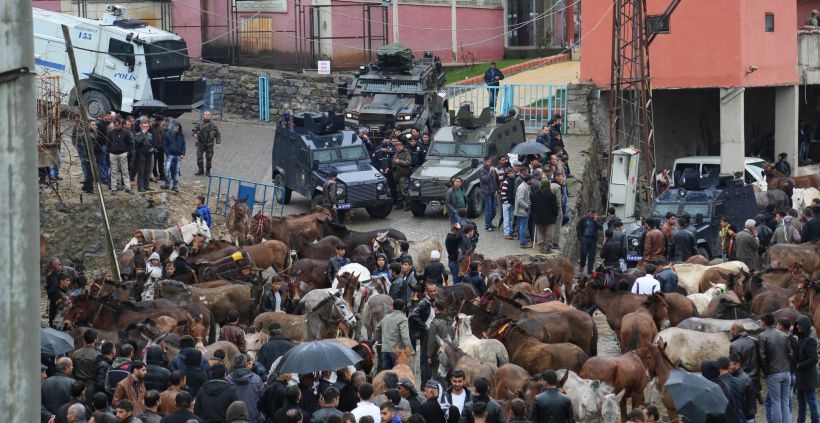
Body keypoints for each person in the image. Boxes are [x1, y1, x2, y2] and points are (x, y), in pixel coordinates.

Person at [759, 313, 792, 423]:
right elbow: (790, 353)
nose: (760, 323)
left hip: (773, 373)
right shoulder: (783, 335)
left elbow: (762, 357)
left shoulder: (763, 336)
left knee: (776, 403)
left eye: (760, 321)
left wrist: (765, 372)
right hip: (786, 372)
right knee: (785, 402)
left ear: (764, 322)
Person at [792, 315, 819, 423]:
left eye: (799, 325)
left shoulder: (809, 340)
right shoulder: (800, 339)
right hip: (801, 377)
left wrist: (800, 365)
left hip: (808, 377)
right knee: (801, 402)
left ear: (805, 326)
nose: (797, 326)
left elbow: (814, 358)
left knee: (811, 401)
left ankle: (815, 421)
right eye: (797, 324)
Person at [410, 283, 437, 382]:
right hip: (426, 334)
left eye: (434, 291)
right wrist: (424, 326)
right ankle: (424, 383)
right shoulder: (423, 303)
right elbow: (414, 315)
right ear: (426, 292)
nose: (433, 293)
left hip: (435, 333)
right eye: (431, 291)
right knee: (425, 358)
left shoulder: (436, 301)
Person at [374, 299, 412, 371]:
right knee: (397, 373)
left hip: (385, 349)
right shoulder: (403, 319)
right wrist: (410, 349)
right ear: (403, 308)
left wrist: (380, 340)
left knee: (386, 373)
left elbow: (377, 329)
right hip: (397, 352)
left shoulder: (386, 317)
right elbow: (405, 337)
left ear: (393, 307)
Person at [227, 354, 264, 423]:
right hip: (253, 418)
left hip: (233, 419)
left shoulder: (228, 379)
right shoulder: (257, 379)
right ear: (246, 364)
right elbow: (262, 400)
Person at [531, 179, 559, 253]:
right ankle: (547, 247)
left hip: (538, 218)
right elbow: (554, 207)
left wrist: (535, 215)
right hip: (549, 218)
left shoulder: (535, 195)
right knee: (549, 233)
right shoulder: (552, 195)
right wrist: (555, 215)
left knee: (540, 233)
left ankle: (541, 247)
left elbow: (533, 207)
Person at [107, 117, 134, 194]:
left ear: (120, 124)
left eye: (117, 125)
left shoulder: (126, 132)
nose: (115, 126)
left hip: (122, 153)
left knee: (125, 171)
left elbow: (130, 143)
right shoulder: (110, 133)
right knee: (114, 171)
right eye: (114, 125)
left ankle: (128, 187)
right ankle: (114, 188)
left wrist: (127, 152)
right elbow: (108, 143)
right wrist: (109, 151)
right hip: (113, 154)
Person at [192, 111, 221, 176]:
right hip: (201, 143)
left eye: (208, 114)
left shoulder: (213, 125)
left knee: (209, 158)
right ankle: (200, 170)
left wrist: (218, 143)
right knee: (199, 157)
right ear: (203, 115)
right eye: (206, 114)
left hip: (209, 144)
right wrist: (194, 134)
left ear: (210, 116)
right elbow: (193, 131)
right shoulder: (199, 123)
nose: (207, 116)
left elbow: (218, 134)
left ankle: (208, 171)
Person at [576, 209, 602, 273]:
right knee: (583, 253)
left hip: (593, 239)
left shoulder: (597, 219)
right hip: (585, 238)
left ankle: (590, 271)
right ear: (588, 213)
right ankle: (582, 266)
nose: (592, 216)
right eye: (591, 214)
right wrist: (580, 237)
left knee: (592, 255)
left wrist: (595, 221)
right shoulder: (584, 218)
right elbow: (578, 227)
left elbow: (601, 227)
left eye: (594, 214)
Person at [162, 120, 185, 192]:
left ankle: (175, 186)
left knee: (176, 171)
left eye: (178, 126)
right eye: (176, 126)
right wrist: (167, 153)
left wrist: (183, 153)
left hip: (178, 155)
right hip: (170, 155)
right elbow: (165, 145)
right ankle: (167, 184)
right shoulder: (167, 134)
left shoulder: (181, 135)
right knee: (167, 170)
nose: (177, 128)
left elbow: (183, 145)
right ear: (173, 126)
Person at [478, 156, 498, 231]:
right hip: (486, 192)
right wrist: (490, 172)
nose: (488, 163)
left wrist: (496, 189)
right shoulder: (481, 170)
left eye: (489, 161)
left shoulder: (492, 169)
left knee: (494, 210)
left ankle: (489, 223)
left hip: (492, 191)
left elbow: (494, 180)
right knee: (488, 210)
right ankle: (487, 225)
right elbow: (485, 180)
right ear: (484, 162)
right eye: (487, 161)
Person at [134, 121, 154, 192]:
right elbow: (138, 142)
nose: (145, 128)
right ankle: (140, 187)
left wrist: (153, 149)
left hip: (148, 155)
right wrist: (143, 135)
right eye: (144, 126)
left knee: (147, 171)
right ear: (141, 127)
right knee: (141, 172)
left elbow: (152, 144)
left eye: (146, 126)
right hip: (141, 155)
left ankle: (146, 186)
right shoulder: (137, 134)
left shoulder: (150, 135)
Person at [392, 142, 413, 211]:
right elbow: (392, 163)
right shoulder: (395, 154)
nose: (398, 148)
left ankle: (409, 204)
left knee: (404, 190)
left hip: (403, 175)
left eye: (399, 146)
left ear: (402, 146)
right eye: (396, 146)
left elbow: (408, 162)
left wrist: (399, 161)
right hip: (396, 175)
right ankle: (400, 204)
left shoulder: (406, 153)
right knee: (398, 191)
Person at [514, 174, 532, 248]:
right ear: (528, 180)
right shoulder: (523, 188)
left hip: (522, 210)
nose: (532, 181)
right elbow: (519, 200)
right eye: (531, 180)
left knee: (521, 225)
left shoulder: (525, 186)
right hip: (522, 210)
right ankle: (523, 242)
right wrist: (527, 206)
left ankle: (522, 239)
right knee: (523, 226)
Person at [499, 168, 517, 239]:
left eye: (512, 173)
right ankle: (506, 234)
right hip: (506, 203)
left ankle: (510, 231)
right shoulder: (506, 182)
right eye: (509, 173)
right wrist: (506, 201)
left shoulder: (514, 181)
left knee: (511, 219)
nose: (511, 174)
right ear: (507, 174)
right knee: (506, 219)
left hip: (512, 202)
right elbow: (503, 193)